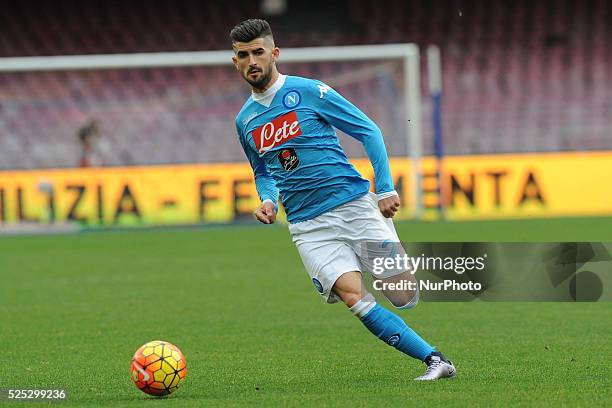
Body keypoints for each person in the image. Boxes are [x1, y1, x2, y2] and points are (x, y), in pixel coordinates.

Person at [231, 19, 455, 381]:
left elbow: (369, 130)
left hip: (353, 205)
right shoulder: (245, 121)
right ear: (235, 62)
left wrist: (385, 188)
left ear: (274, 54)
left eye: (258, 52)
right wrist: (268, 200)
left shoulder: (310, 92)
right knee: (354, 297)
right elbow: (263, 171)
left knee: (403, 294)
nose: (252, 61)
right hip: (308, 226)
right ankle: (435, 360)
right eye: (244, 55)